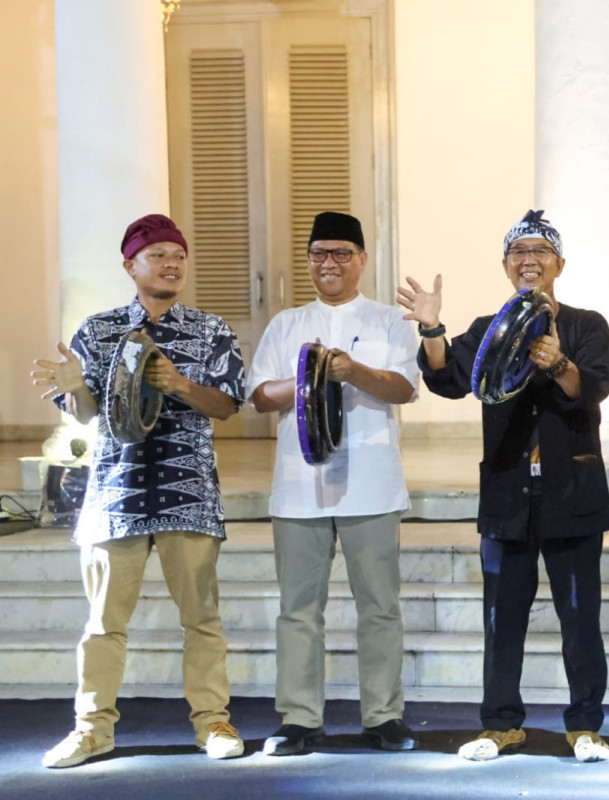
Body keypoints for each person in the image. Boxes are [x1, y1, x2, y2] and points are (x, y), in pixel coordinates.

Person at [397, 210, 609, 763]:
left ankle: (585, 725)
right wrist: (431, 329)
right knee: (502, 618)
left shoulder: (587, 324)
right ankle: (500, 725)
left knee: (579, 617)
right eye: (519, 251)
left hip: (572, 493)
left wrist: (560, 361)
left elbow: (593, 387)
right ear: (504, 265)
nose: (529, 259)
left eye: (541, 250)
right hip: (507, 494)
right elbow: (448, 380)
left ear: (559, 264)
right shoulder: (487, 329)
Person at [31, 214, 246, 768]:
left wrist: (179, 383)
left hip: (187, 492)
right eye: (158, 255)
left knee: (201, 618)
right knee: (104, 624)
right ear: (131, 266)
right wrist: (75, 389)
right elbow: (81, 415)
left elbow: (227, 405)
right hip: (115, 495)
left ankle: (212, 722)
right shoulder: (96, 331)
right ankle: (91, 730)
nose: (171, 263)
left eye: (178, 254)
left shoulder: (211, 330)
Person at [248, 211, 421, 755]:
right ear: (308, 260)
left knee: (379, 606)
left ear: (362, 260)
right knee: (298, 608)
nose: (330, 263)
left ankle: (384, 716)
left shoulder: (390, 321)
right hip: (299, 487)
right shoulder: (286, 324)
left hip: (370, 482)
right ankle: (299, 718)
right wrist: (310, 374)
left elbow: (403, 388)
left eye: (342, 253)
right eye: (320, 253)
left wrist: (353, 372)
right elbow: (258, 396)